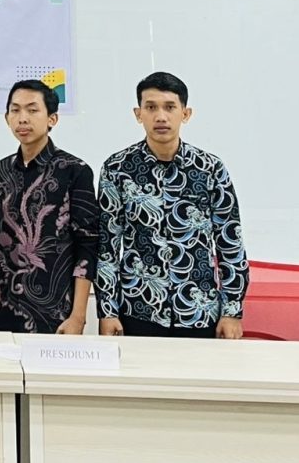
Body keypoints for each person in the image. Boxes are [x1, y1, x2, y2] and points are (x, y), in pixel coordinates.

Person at [95, 71, 249, 339]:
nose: (161, 116)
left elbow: (230, 243)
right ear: (138, 114)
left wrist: (232, 312)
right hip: (138, 309)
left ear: (185, 114)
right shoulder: (117, 169)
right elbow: (107, 246)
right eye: (151, 107)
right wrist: (107, 311)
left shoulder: (210, 169)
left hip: (199, 311)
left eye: (169, 107)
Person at [0, 80, 99, 335]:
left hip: (56, 311)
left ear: (52, 118)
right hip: (2, 308)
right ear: (6, 118)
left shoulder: (75, 170)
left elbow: (87, 245)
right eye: (15, 110)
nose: (23, 118)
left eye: (32, 110)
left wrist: (78, 316)